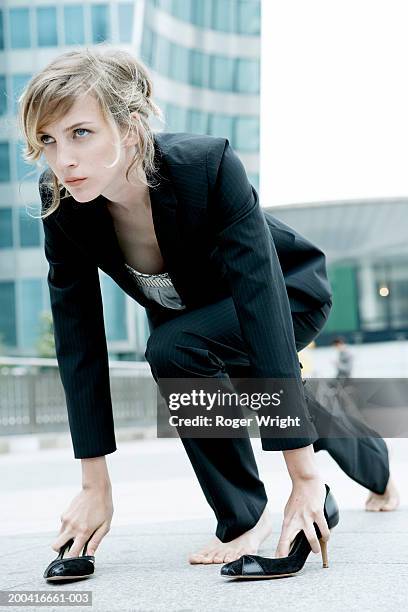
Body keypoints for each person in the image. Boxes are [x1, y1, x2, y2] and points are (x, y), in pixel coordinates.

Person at [18, 47, 398, 577]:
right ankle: (360, 464)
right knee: (190, 351)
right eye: (48, 141)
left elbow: (260, 301)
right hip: (198, 317)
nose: (64, 160)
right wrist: (93, 485)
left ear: (129, 128)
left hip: (286, 291)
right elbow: (77, 336)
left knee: (177, 348)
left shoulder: (205, 166)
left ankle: (246, 518)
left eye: (81, 133)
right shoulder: (62, 201)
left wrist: (303, 480)